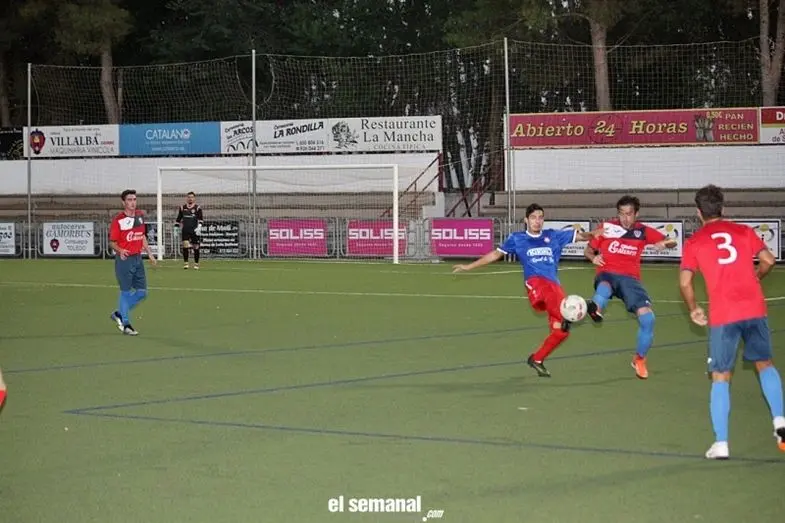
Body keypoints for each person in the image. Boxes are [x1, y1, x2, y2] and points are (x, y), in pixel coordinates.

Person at [679, 184, 785, 459]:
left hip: (724, 314)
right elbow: (769, 260)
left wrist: (693, 308)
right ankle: (780, 423)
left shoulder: (695, 242)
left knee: (721, 375)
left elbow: (685, 282)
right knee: (765, 364)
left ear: (698, 212)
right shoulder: (743, 231)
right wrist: (756, 277)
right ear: (722, 208)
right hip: (754, 308)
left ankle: (722, 443)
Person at [453, 204, 600, 377]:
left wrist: (595, 233)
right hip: (536, 284)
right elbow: (495, 254)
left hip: (554, 286)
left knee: (561, 332)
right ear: (526, 220)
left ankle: (537, 359)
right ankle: (586, 306)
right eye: (533, 218)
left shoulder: (553, 236)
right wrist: (469, 266)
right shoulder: (517, 238)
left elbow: (582, 236)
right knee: (561, 311)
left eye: (540, 218)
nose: (537, 221)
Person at [583, 195, 677, 380]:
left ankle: (639, 359)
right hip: (607, 272)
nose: (625, 218)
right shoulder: (607, 228)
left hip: (630, 280)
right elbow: (588, 250)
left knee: (648, 319)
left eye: (629, 214)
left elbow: (672, 241)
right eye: (621, 214)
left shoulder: (643, 231)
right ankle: (596, 309)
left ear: (636, 214)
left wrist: (664, 243)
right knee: (604, 287)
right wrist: (593, 257)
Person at [108, 189, 156, 336]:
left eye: (134, 199)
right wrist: (120, 250)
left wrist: (150, 254)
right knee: (126, 292)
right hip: (124, 260)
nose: (133, 202)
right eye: (129, 200)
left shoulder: (140, 216)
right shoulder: (118, 220)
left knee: (142, 293)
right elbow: (112, 242)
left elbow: (142, 236)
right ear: (123, 202)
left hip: (137, 259)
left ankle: (119, 313)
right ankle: (126, 325)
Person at [175, 191, 204, 270]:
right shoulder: (182, 207)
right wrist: (176, 228)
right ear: (186, 198)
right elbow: (178, 219)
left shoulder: (198, 208)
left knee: (196, 247)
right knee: (185, 245)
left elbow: (201, 219)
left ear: (194, 198)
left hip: (194, 230)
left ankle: (196, 263)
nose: (190, 199)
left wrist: (199, 227)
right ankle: (186, 263)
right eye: (189, 197)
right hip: (185, 230)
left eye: (192, 197)